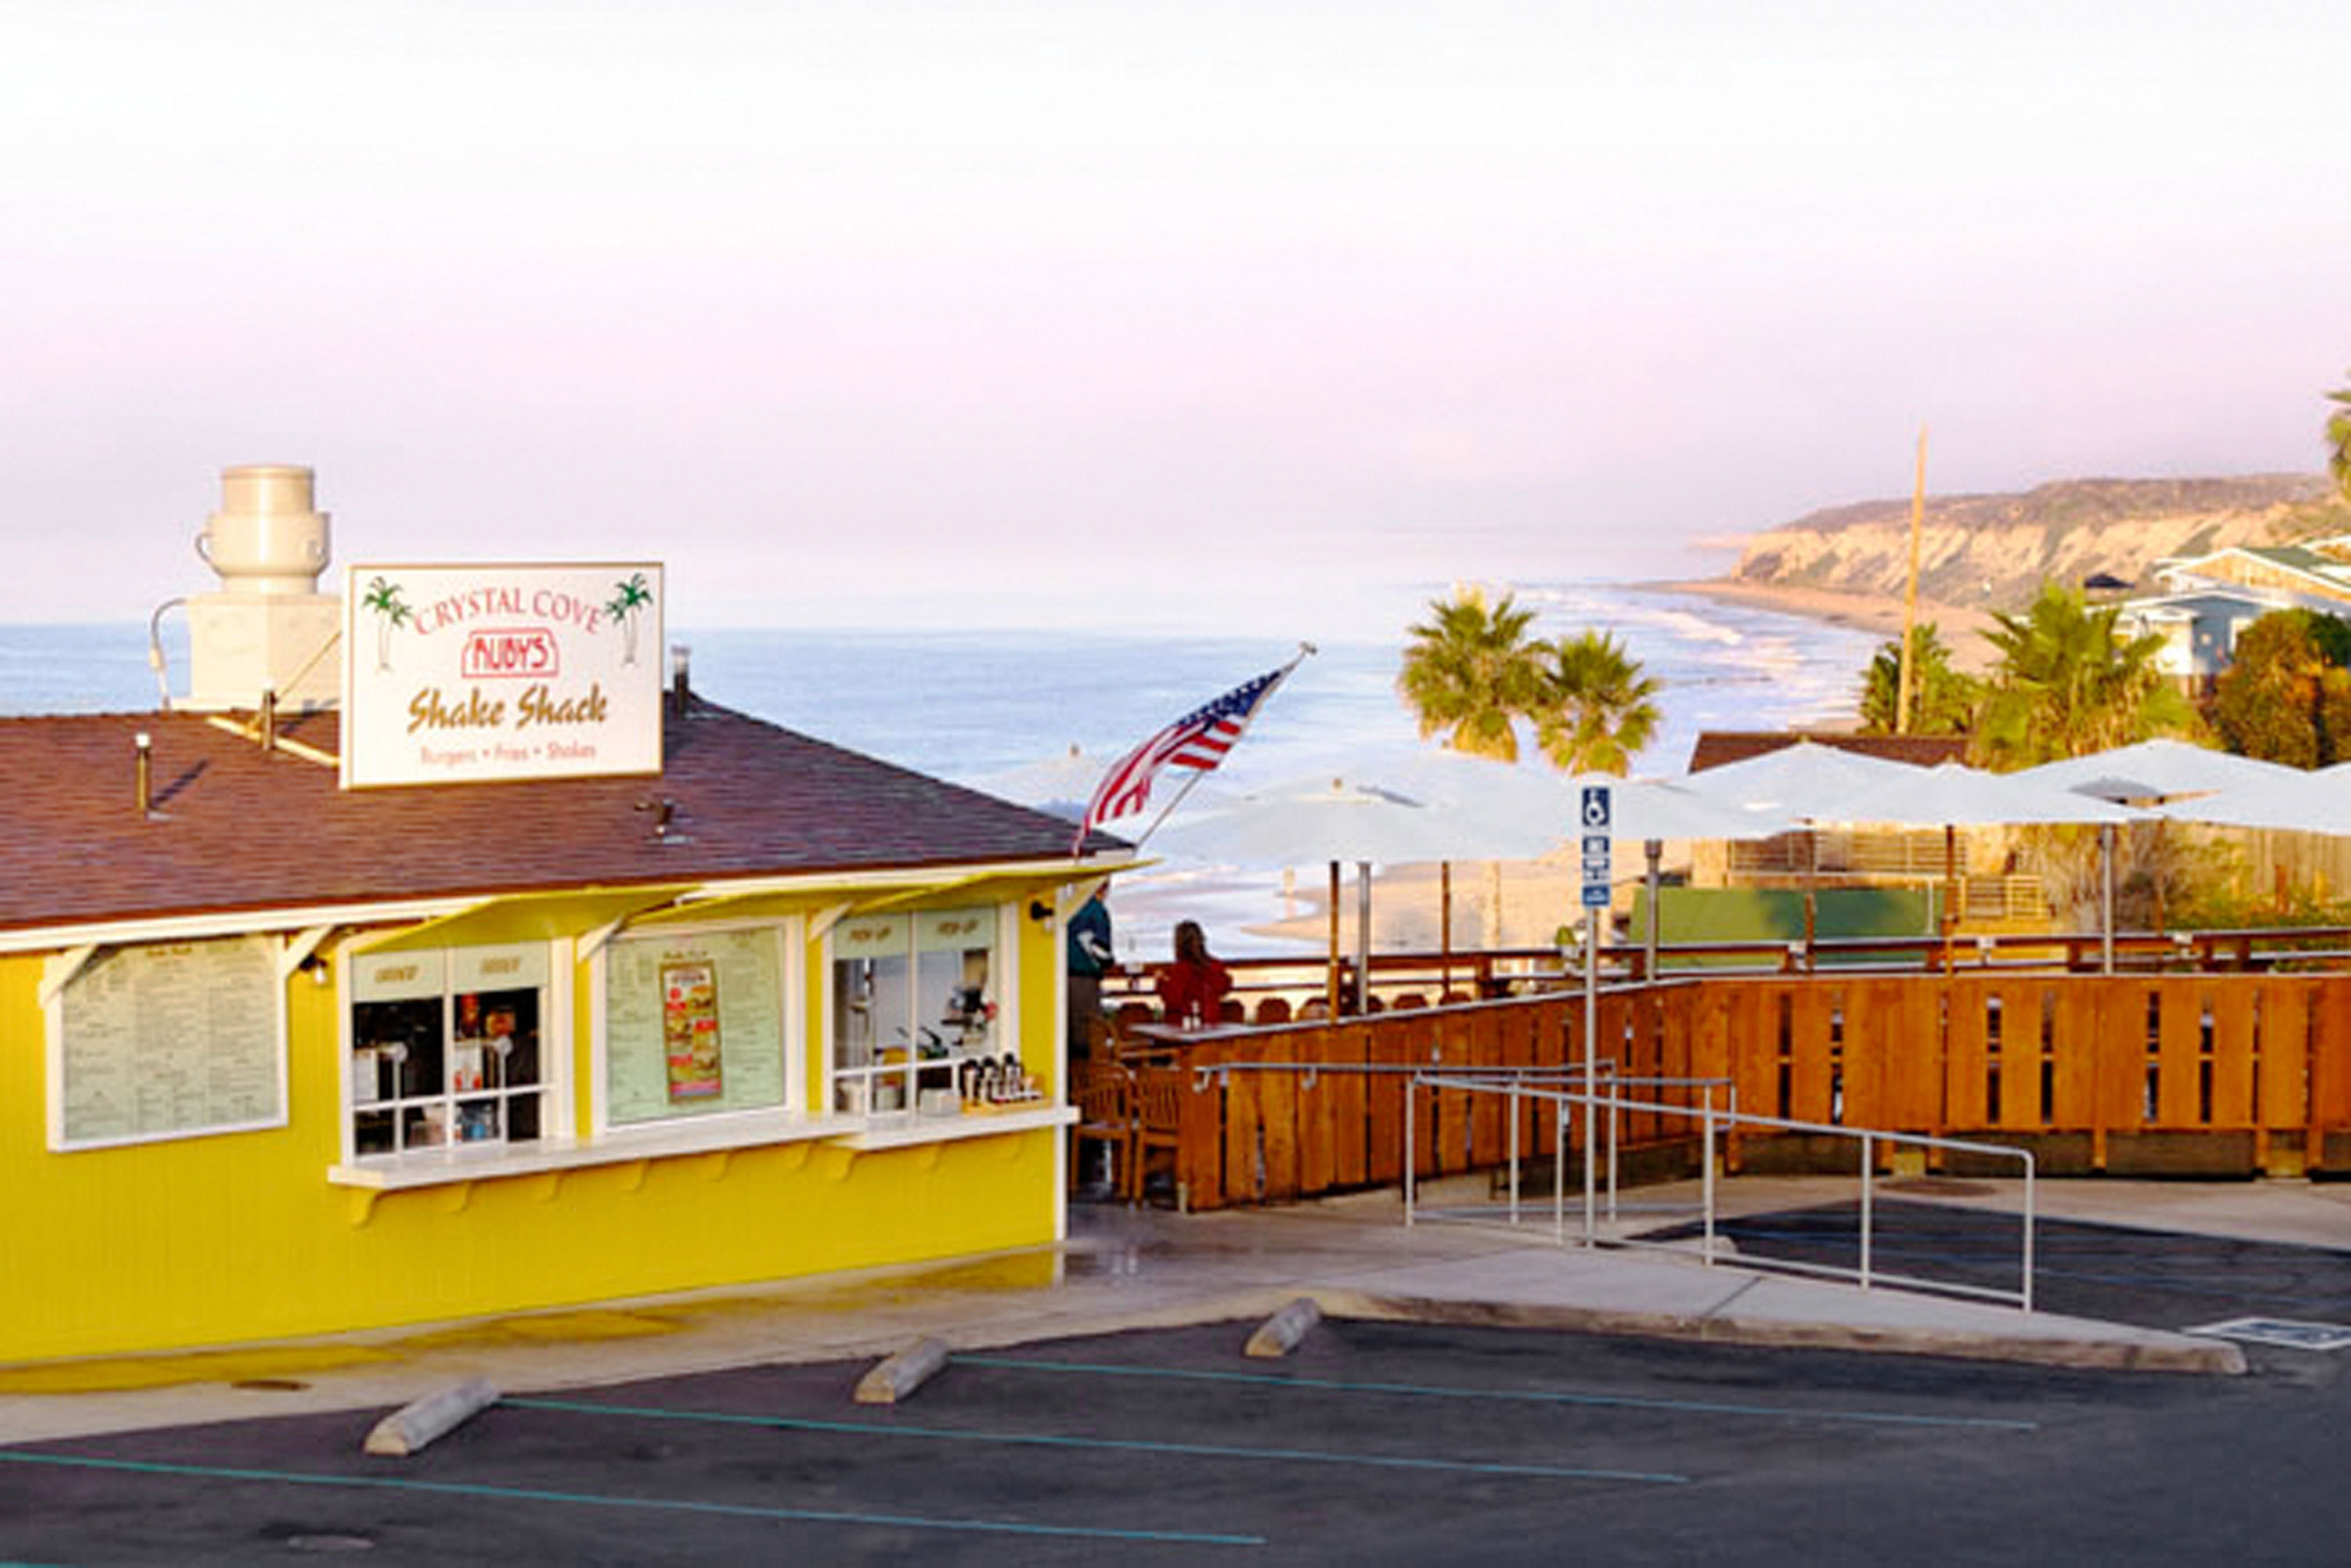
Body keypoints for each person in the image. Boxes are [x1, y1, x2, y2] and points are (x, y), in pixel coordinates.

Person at [1155, 919, 1232, 1028]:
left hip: (1185, 1024)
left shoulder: (1181, 969)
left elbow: (1173, 999)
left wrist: (1160, 982)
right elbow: (1225, 986)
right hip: (1212, 1022)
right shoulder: (1214, 965)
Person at [1066, 890, 1114, 1060]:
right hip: (1085, 978)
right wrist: (1109, 962)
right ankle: (1089, 1073)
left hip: (1062, 978)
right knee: (1089, 1035)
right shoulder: (1096, 911)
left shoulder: (1069, 906)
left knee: (1068, 1035)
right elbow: (1100, 950)